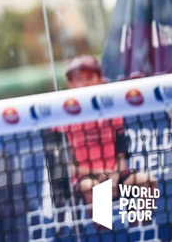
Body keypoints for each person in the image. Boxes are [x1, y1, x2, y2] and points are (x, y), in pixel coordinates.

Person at [60, 55, 157, 206]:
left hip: (115, 176)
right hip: (86, 179)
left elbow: (121, 157)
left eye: (90, 77)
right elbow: (68, 167)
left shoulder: (114, 114)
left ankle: (143, 227)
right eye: (79, 79)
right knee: (93, 188)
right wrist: (99, 173)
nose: (84, 83)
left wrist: (114, 176)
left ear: (99, 79)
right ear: (71, 83)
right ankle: (102, 229)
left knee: (148, 181)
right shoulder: (62, 119)